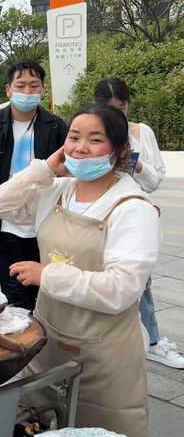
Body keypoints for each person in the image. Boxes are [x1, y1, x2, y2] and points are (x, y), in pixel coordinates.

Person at [0, 103, 159, 436]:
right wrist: (46, 169)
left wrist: (47, 275)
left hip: (103, 354)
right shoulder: (58, 191)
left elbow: (122, 289)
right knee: (32, 420)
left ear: (120, 149)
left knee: (98, 428)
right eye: (74, 137)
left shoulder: (132, 207)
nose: (80, 147)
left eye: (95, 140)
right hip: (49, 338)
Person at [94, 77, 184, 369]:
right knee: (102, 280)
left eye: (121, 107)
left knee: (140, 281)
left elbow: (156, 179)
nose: (118, 115)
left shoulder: (141, 133)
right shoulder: (93, 132)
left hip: (135, 215)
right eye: (110, 108)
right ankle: (110, 342)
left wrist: (138, 164)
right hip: (98, 216)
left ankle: (153, 340)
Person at [0, 61, 67, 310]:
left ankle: (44, 342)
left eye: (34, 86)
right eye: (21, 85)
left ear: (43, 89)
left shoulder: (56, 127)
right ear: (8, 89)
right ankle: (25, 342)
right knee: (16, 295)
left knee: (45, 292)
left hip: (44, 225)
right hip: (5, 226)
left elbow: (67, 174)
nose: (27, 91)